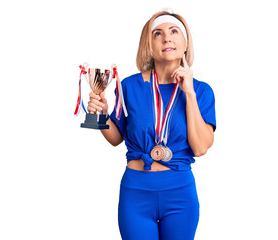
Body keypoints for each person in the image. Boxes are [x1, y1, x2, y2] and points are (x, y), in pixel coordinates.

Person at [87, 10, 216, 240]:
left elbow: (200, 148)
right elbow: (117, 139)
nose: (167, 38)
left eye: (174, 31)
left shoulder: (202, 91)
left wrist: (189, 93)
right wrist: (102, 114)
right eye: (158, 34)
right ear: (150, 45)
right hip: (136, 193)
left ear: (185, 43)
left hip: (179, 194)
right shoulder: (129, 86)